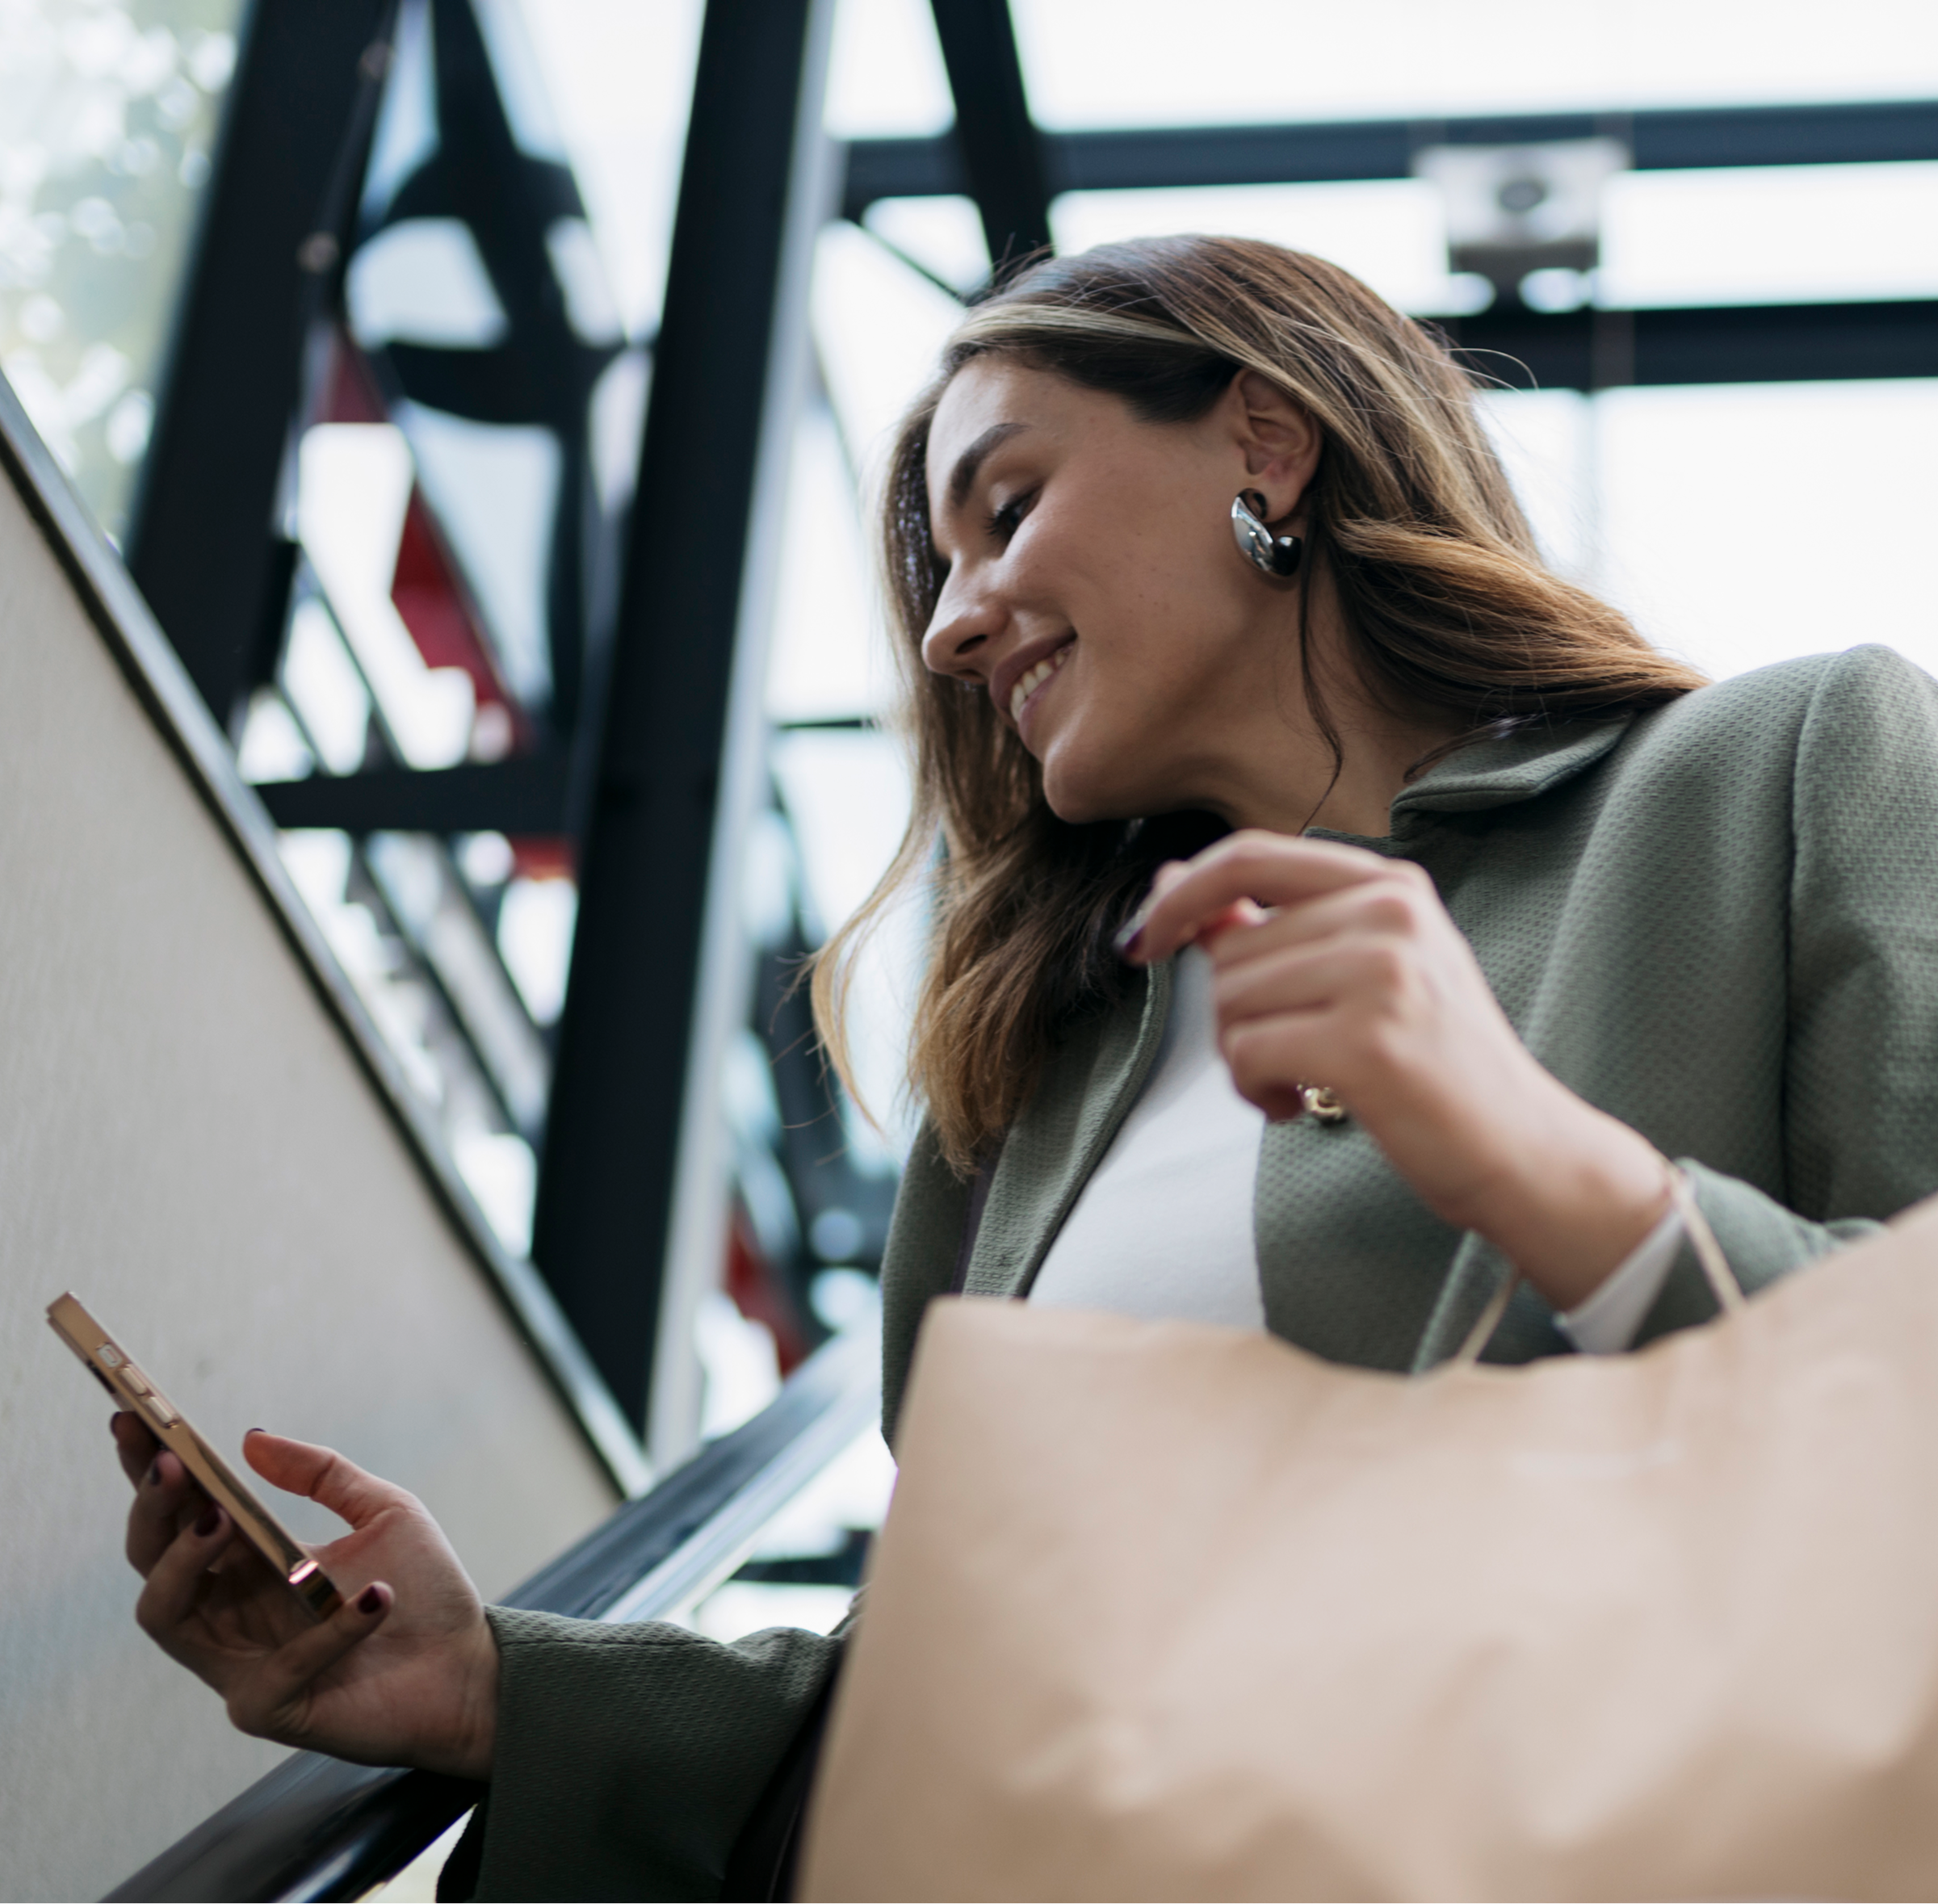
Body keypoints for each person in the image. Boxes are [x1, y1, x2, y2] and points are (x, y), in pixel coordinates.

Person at [110, 237, 1938, 1903]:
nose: (952, 624)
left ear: (1268, 444)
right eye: (941, 569)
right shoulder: (1037, 1094)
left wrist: (1543, 1165)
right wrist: (496, 1684)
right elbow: (986, 1698)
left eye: (1006, 506)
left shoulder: (1772, 779)